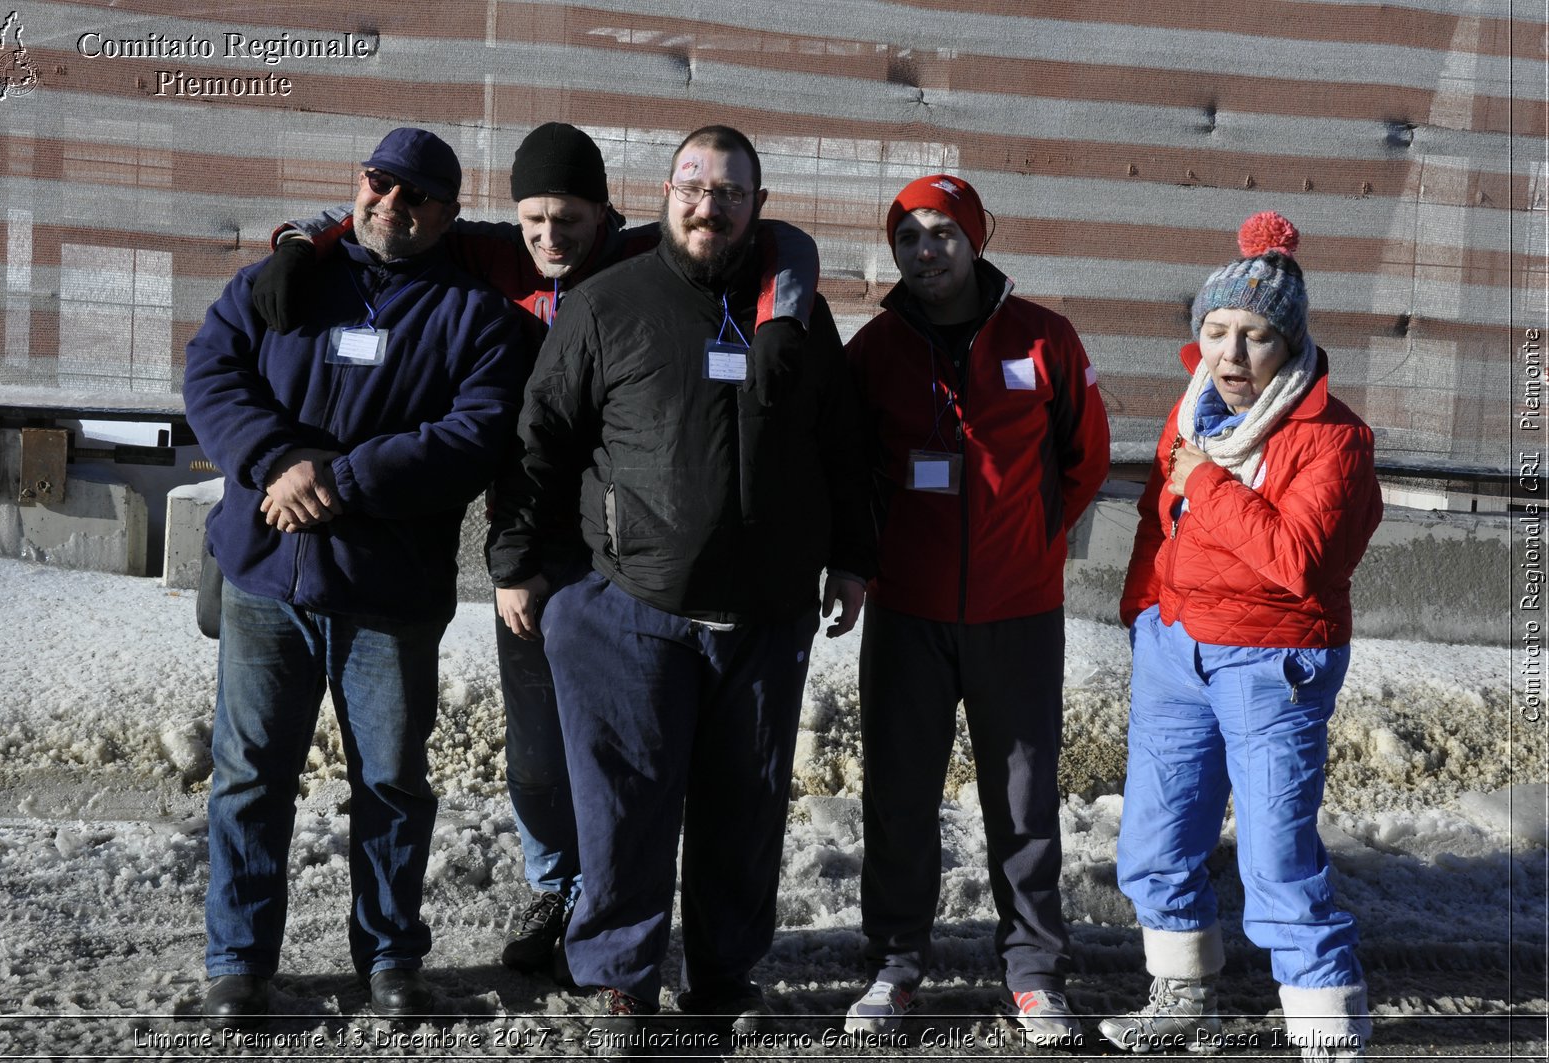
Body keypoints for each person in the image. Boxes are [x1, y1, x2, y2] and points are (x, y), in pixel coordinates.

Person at [248, 122, 822, 979]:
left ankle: (627, 911)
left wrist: (784, 315)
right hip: (532, 534)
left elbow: (785, 239)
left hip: (628, 549)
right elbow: (385, 213)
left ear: (608, 213)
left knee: (632, 756)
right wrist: (302, 240)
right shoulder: (496, 255)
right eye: (533, 219)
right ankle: (559, 891)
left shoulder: (641, 255)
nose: (551, 237)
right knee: (541, 749)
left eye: (569, 219)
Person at [486, 124, 875, 1033]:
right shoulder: (607, 301)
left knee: (747, 808)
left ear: (757, 208)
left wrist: (854, 556)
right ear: (665, 193)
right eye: (695, 187)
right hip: (630, 605)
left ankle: (725, 976)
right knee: (625, 805)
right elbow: (539, 440)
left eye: (731, 192)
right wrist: (518, 563)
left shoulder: (796, 313)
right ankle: (622, 972)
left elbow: (843, 445)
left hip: (767, 614)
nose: (711, 206)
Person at [182, 127, 530, 1029]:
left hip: (388, 592)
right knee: (251, 778)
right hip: (268, 579)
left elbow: (475, 432)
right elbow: (213, 371)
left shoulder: (474, 313)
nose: (393, 205)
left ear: (448, 214)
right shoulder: (288, 281)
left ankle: (389, 956)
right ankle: (240, 964)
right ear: (358, 183)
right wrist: (275, 459)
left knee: (392, 782)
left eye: (418, 196)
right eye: (381, 184)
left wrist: (343, 478)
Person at [1102, 212, 1382, 1060]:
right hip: (1176, 647)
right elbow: (1160, 522)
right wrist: (1142, 609)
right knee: (1155, 841)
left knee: (1276, 860)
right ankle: (1182, 997)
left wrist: (1210, 486)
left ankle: (1329, 1034)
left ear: (1287, 344)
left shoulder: (1333, 438)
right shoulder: (1188, 418)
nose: (1230, 354)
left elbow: (1298, 558)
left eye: (1253, 335)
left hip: (1272, 659)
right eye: (1216, 331)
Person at [840, 174, 1110, 1045]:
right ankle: (894, 963)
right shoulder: (875, 349)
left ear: (977, 239)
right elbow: (848, 470)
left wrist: (1038, 536)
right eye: (910, 236)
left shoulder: (1045, 338)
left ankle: (1032, 970)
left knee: (1024, 797)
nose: (927, 250)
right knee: (901, 793)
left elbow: (1087, 453)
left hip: (1017, 610)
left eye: (944, 233)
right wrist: (861, 562)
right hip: (908, 609)